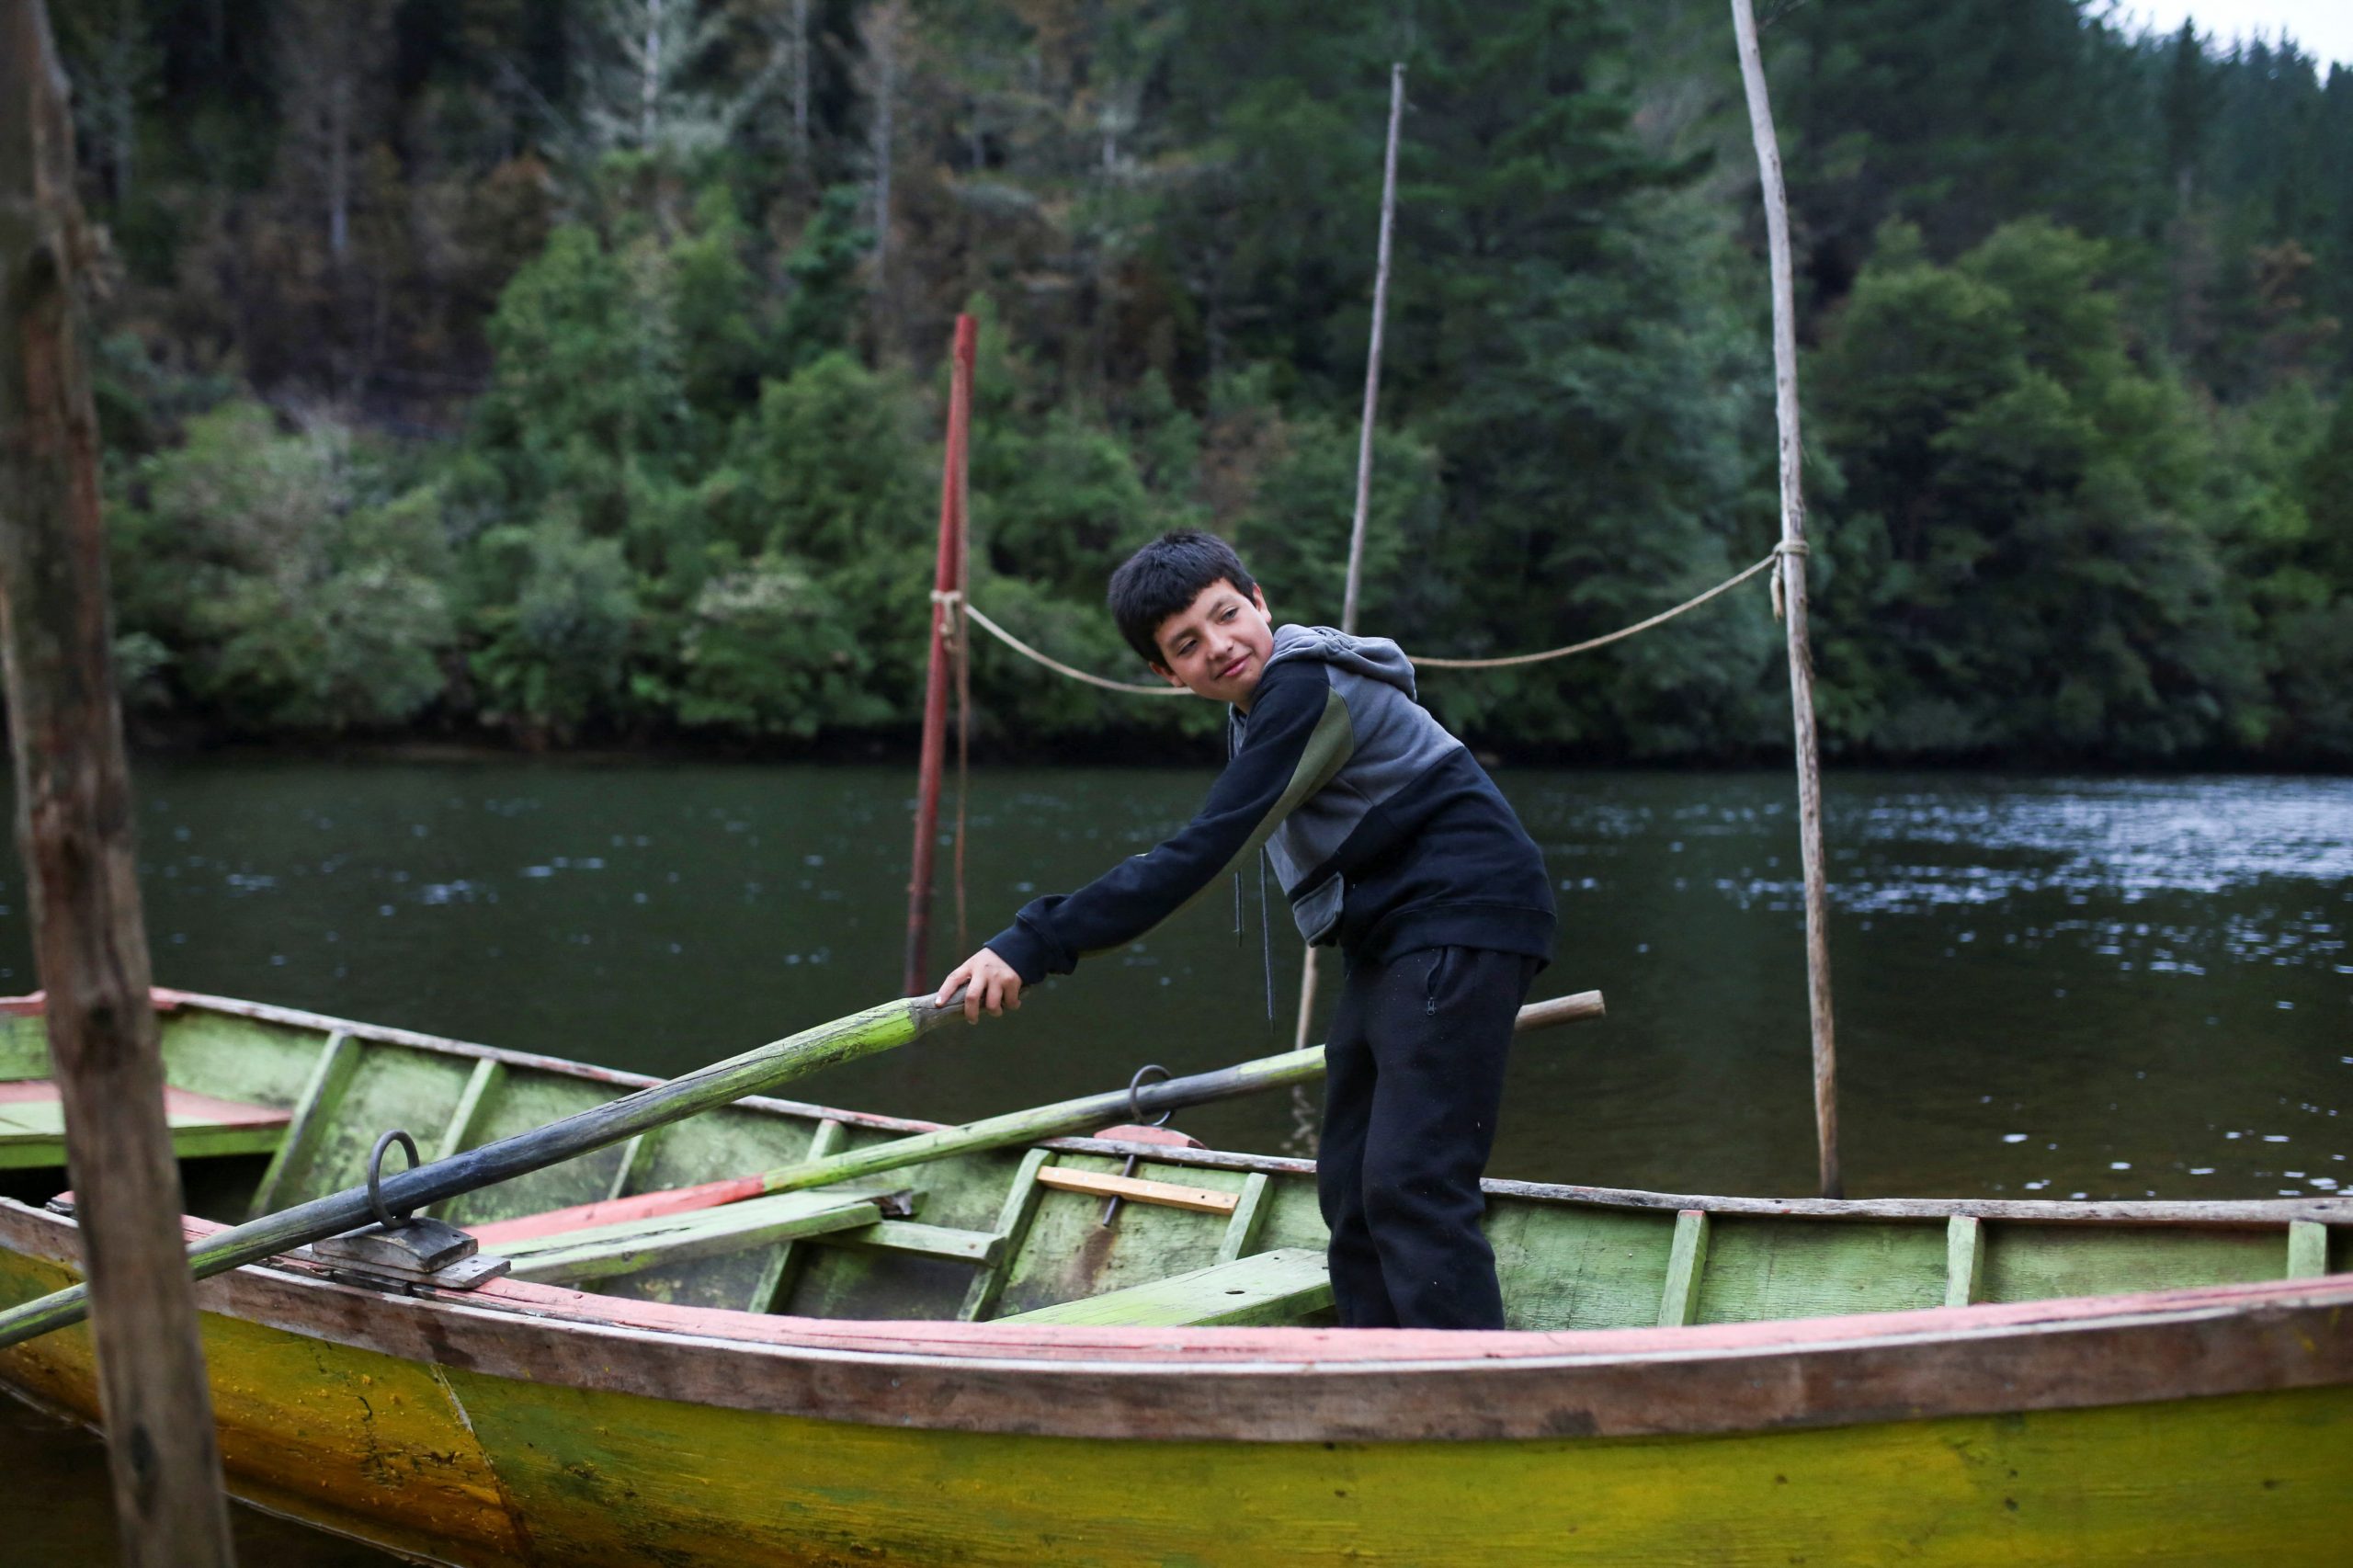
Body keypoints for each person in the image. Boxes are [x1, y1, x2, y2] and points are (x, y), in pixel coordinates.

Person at [935, 529, 1554, 1329]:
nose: (1220, 647)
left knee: (1412, 1180)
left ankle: (1469, 1401)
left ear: (1260, 602)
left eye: (1227, 615)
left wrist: (1031, 941)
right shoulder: (1261, 711)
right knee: (1350, 1182)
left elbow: (1202, 850)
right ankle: (1378, 1372)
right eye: (1188, 644)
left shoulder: (1302, 685)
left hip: (1464, 914)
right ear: (1166, 673)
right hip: (1399, 935)